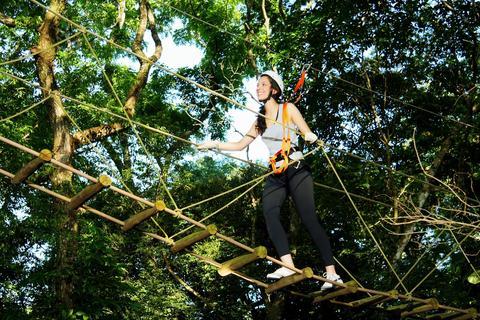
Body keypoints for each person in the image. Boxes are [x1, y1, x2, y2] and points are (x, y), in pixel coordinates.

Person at [198, 70, 342, 290]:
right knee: (270, 213)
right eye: (258, 85)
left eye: (263, 84)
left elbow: (306, 132)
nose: (259, 88)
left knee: (308, 218)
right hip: (276, 173)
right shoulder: (259, 121)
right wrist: (214, 144)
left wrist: (310, 136)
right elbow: (239, 145)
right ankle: (288, 265)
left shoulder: (288, 109)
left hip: (296, 167)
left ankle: (332, 274)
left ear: (274, 89)